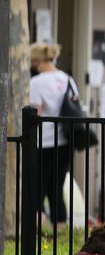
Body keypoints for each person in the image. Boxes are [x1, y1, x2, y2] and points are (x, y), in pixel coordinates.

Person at [28, 42, 76, 228]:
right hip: (65, 140)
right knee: (56, 187)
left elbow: (35, 112)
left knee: (38, 187)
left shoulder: (36, 82)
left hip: (44, 142)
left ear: (36, 60)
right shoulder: (67, 79)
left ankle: (38, 228)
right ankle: (61, 227)